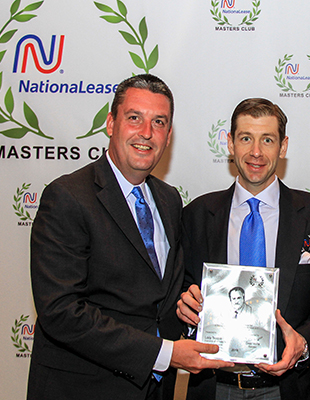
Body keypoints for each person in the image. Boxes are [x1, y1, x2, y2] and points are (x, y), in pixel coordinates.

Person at [27, 74, 232, 400]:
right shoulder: (67, 197)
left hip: (153, 390)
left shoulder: (169, 200)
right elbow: (61, 311)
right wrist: (165, 354)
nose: (146, 133)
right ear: (111, 123)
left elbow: (157, 294)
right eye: (134, 118)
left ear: (168, 137)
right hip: (84, 388)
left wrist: (186, 300)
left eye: (159, 122)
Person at [177, 98, 310, 399]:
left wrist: (303, 342)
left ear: (283, 146)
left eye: (267, 140)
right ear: (229, 143)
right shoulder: (197, 215)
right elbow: (182, 291)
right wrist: (186, 308)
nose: (256, 152)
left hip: (291, 388)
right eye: (245, 139)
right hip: (214, 387)